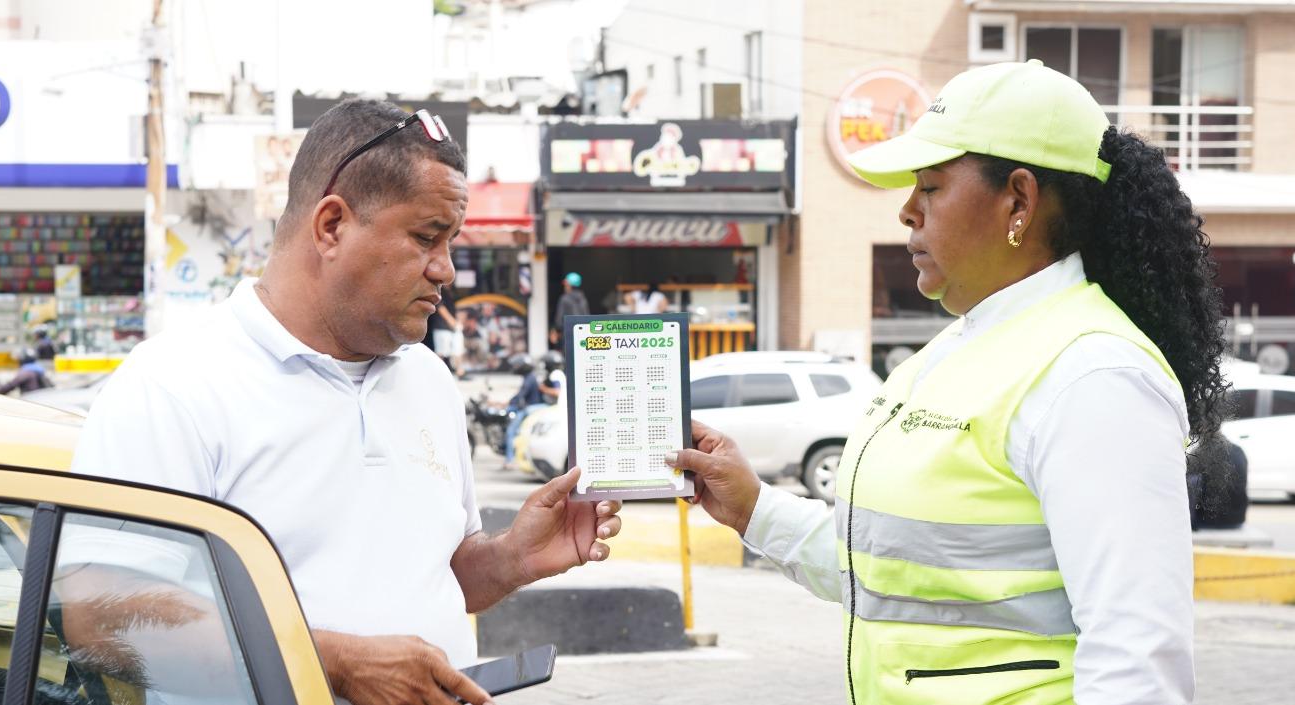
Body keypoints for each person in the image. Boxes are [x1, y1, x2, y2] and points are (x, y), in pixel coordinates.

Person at [668, 60, 1228, 705]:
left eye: (930, 187)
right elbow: (903, 574)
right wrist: (753, 509)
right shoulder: (951, 351)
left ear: (1018, 198)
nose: (907, 211)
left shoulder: (1094, 374)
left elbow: (1137, 658)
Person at [71, 99, 622, 705]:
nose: (447, 270)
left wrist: (514, 557)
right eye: (426, 238)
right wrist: (332, 663)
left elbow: (434, 579)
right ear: (331, 225)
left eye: (451, 242)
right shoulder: (173, 386)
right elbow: (101, 620)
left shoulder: (430, 381)